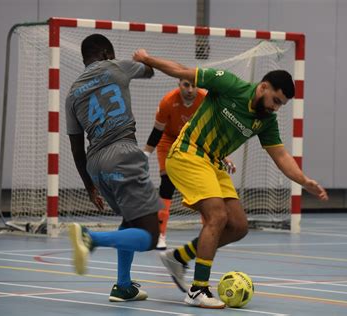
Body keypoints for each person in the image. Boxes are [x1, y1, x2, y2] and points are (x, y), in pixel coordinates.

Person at [133, 49, 329, 309]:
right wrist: (148, 60)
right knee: (217, 216)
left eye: (281, 104)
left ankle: (179, 257)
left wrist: (304, 180)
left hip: (214, 164)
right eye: (276, 100)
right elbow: (182, 71)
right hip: (187, 154)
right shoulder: (229, 84)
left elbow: (280, 155)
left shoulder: (266, 121)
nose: (275, 107)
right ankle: (197, 290)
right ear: (263, 87)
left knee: (238, 225)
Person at [65, 34, 163, 303]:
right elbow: (149, 71)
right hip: (123, 154)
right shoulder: (116, 66)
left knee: (130, 219)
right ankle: (90, 239)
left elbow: (76, 149)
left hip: (96, 164)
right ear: (107, 52)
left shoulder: (72, 93)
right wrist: (143, 58)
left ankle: (122, 285)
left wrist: (90, 186)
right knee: (149, 236)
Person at [143, 79, 207, 250]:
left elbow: (211, 129)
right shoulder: (168, 101)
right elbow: (157, 131)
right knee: (167, 183)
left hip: (192, 142)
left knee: (201, 185)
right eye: (186, 85)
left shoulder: (205, 100)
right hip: (169, 141)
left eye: (194, 85)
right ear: (179, 84)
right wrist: (145, 154)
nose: (190, 89)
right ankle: (160, 235)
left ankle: (208, 233)